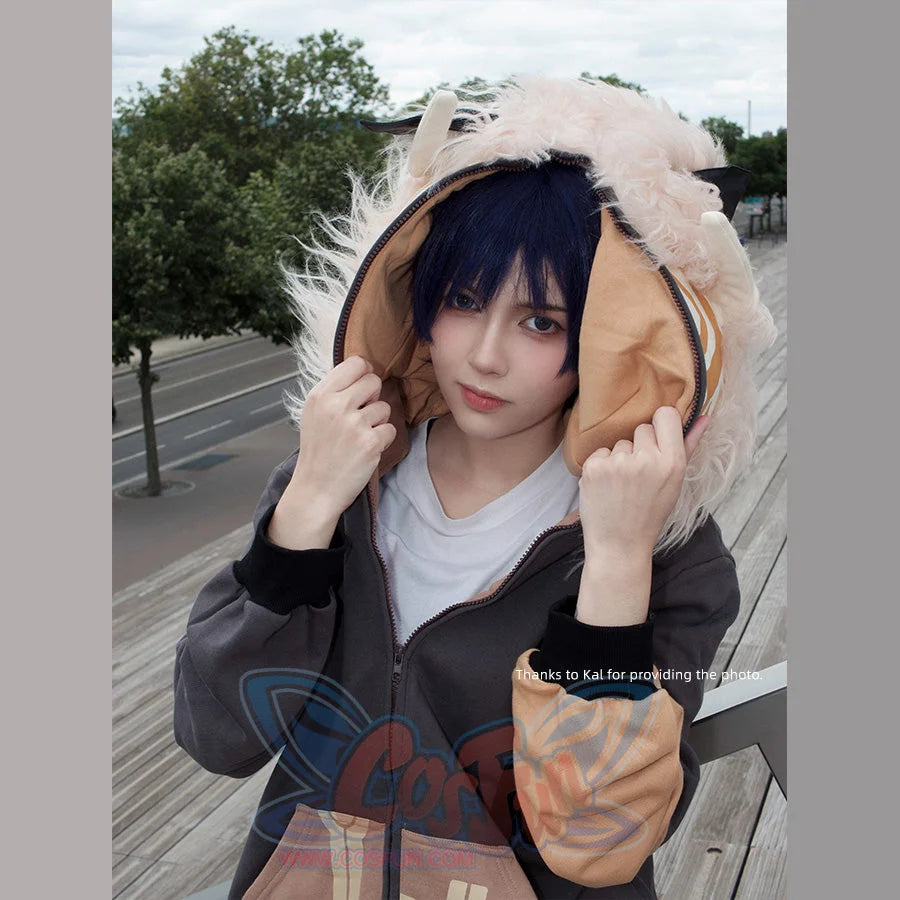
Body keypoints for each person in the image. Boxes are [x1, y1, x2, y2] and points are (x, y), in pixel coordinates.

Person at [173, 75, 775, 899]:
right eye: (462, 300)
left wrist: (615, 566)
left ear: (613, 335)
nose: (485, 356)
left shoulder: (668, 551)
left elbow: (598, 840)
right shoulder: (342, 484)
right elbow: (216, 734)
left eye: (541, 321)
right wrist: (307, 504)